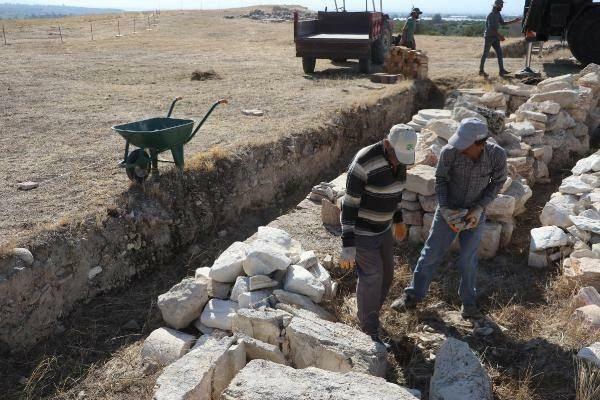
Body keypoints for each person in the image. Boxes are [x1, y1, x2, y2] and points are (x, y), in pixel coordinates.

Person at [391, 118, 507, 319]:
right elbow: (441, 180)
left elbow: (498, 182)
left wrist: (479, 209)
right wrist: (445, 210)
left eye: (465, 143)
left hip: (474, 214)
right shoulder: (450, 152)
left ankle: (469, 304)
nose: (458, 146)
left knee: (468, 260)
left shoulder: (496, 155)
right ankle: (412, 297)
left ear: (478, 143)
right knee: (430, 255)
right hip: (448, 211)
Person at [339, 125, 417, 344]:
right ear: (386, 144)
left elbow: (396, 192)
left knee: (387, 276)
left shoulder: (400, 159)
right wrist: (348, 243)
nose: (398, 163)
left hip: (383, 229)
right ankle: (368, 330)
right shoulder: (364, 163)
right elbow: (349, 204)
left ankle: (368, 312)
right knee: (372, 277)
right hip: (362, 231)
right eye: (396, 156)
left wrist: (398, 220)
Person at [479, 0, 522, 77]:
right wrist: (500, 36)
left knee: (499, 53)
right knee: (485, 54)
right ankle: (481, 71)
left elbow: (502, 23)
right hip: (489, 37)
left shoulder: (498, 14)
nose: (502, 7)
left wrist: (514, 21)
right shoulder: (491, 15)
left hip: (495, 37)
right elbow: (491, 28)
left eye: (502, 5)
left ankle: (501, 71)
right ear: (497, 5)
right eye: (501, 5)